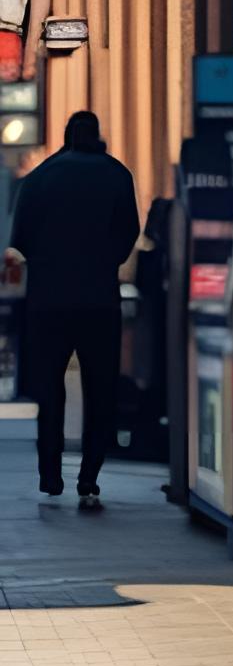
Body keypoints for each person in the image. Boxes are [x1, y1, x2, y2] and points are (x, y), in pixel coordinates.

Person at [4, 111, 140, 510]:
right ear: (96, 135)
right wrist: (106, 261)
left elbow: (20, 239)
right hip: (100, 299)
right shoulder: (116, 174)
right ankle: (89, 476)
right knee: (101, 389)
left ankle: (50, 473)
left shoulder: (40, 178)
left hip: (49, 300)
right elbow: (129, 230)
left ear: (65, 136)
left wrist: (48, 264)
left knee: (50, 388)